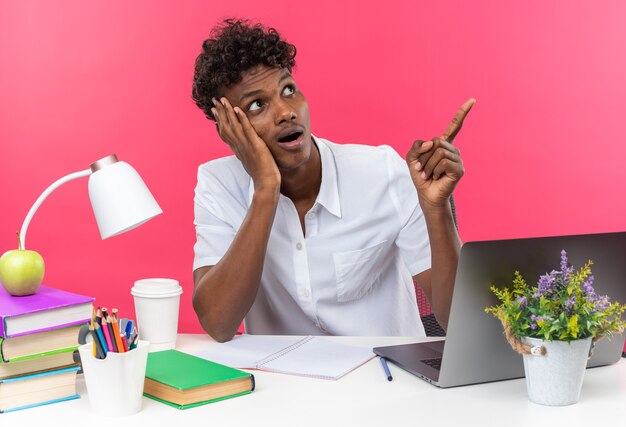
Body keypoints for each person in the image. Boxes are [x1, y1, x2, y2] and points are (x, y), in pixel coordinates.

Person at [191, 18, 474, 342]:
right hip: (284, 383)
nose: (286, 112)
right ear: (228, 128)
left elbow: (458, 323)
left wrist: (436, 209)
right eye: (257, 104)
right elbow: (218, 323)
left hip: (386, 379)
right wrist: (266, 189)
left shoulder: (382, 173)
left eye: (288, 90)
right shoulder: (218, 184)